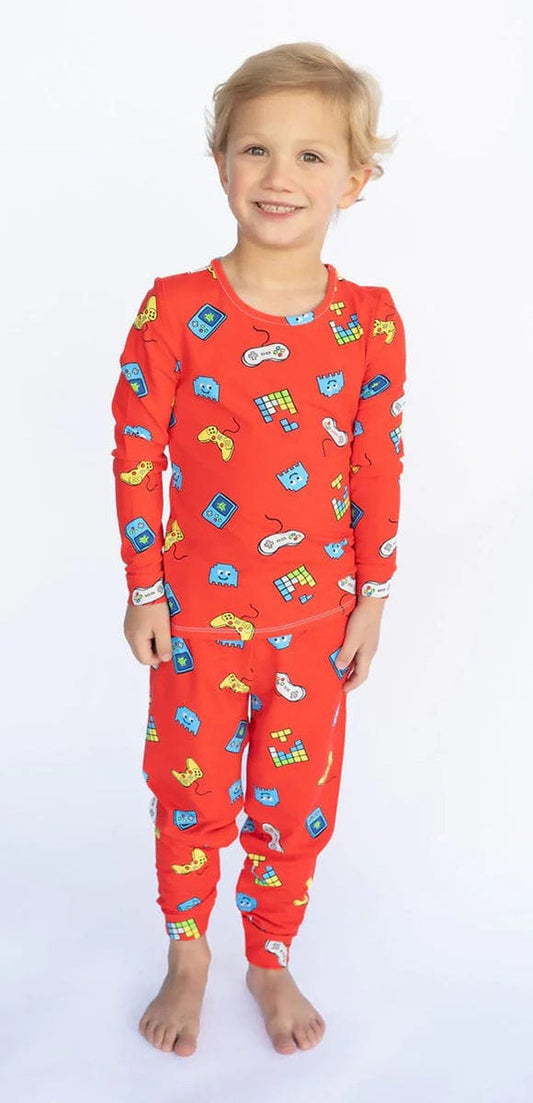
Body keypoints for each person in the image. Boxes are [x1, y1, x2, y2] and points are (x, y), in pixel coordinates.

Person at [110, 40, 407, 1059]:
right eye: (255, 149)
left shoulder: (369, 324)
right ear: (220, 163)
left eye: (311, 155)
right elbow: (135, 449)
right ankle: (187, 949)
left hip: (316, 623)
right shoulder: (174, 311)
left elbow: (376, 464)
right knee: (189, 794)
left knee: (295, 805)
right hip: (196, 619)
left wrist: (371, 598)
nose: (279, 175)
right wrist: (144, 588)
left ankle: (268, 952)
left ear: (354, 181)